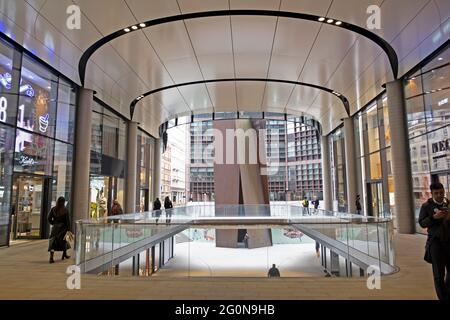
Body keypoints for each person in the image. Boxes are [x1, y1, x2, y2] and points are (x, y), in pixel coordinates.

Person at [419, 182, 450, 300]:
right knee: (439, 274)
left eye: (441, 192)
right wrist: (433, 217)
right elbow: (422, 223)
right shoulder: (426, 206)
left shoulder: (448, 203)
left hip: (449, 241)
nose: (439, 195)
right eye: (436, 193)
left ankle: (447, 293)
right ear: (431, 194)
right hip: (435, 243)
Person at [47, 197, 71, 263]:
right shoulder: (65, 210)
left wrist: (54, 223)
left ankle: (51, 257)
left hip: (55, 228)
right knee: (64, 241)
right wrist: (69, 229)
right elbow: (67, 221)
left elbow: (49, 218)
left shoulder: (53, 209)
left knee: (53, 242)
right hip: (63, 228)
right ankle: (64, 254)